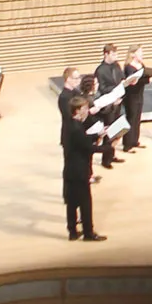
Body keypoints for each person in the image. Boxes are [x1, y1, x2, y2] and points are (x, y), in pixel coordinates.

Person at [62, 94, 105, 241]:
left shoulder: (69, 125)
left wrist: (95, 137)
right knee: (85, 203)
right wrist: (108, 147)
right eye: (85, 108)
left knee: (72, 203)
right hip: (80, 171)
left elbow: (82, 141)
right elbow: (88, 147)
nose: (87, 110)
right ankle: (88, 233)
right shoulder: (77, 128)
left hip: (69, 170)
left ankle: (72, 232)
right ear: (78, 110)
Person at [93, 44, 124, 168]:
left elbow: (121, 78)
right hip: (108, 104)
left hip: (118, 101)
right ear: (106, 54)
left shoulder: (116, 65)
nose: (116, 56)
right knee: (108, 131)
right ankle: (106, 160)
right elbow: (102, 88)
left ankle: (112, 154)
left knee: (116, 130)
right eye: (113, 54)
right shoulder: (100, 70)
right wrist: (115, 91)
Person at [120, 46, 147, 152]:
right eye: (139, 52)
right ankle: (127, 144)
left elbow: (144, 77)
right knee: (131, 119)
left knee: (137, 118)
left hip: (139, 94)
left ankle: (135, 140)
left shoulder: (141, 64)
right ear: (133, 54)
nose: (142, 54)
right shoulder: (129, 67)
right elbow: (130, 81)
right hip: (131, 96)